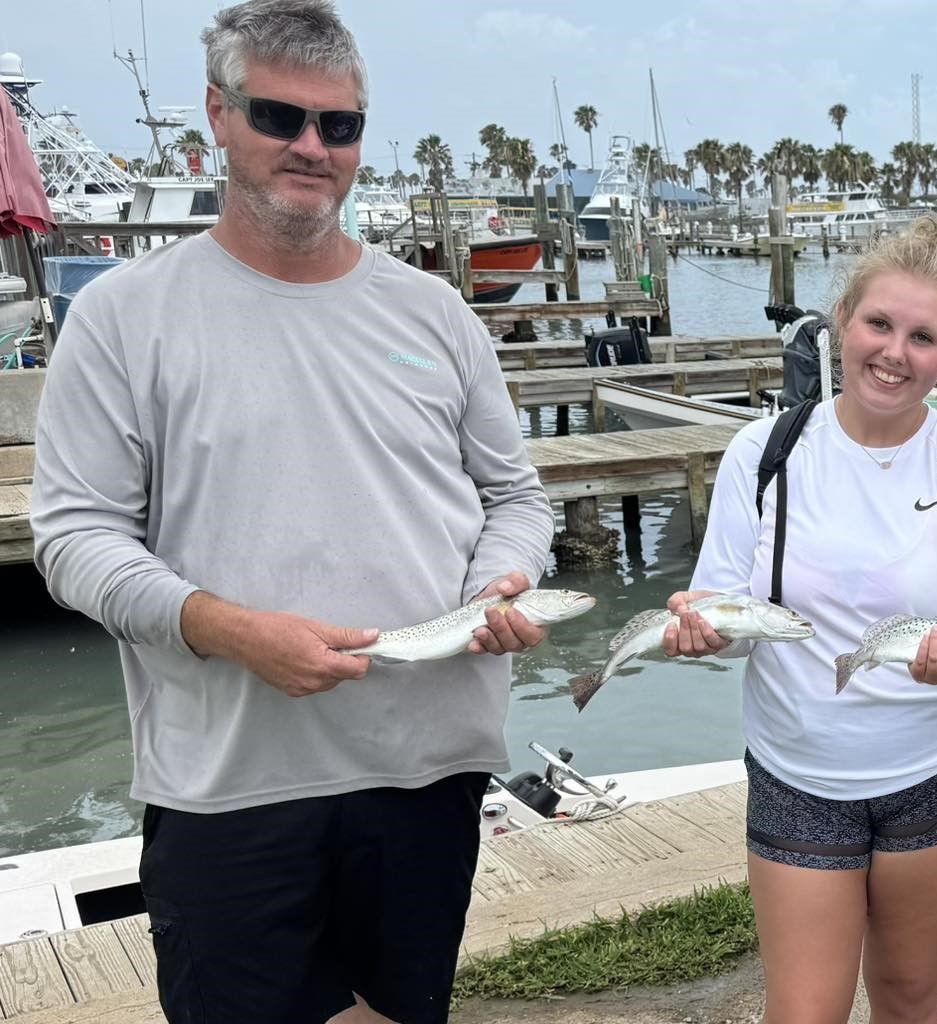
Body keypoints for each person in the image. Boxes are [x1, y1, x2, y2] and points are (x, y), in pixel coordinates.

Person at [29, 2, 557, 1021]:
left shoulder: (436, 313)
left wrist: (502, 580)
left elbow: (514, 497)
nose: (311, 147)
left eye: (339, 125)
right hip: (229, 778)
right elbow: (76, 538)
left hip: (425, 763)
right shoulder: (120, 319)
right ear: (217, 118)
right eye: (280, 117)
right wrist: (230, 629)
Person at [661, 215, 937, 1023]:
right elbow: (721, 602)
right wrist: (699, 631)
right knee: (803, 1011)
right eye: (879, 324)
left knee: (907, 996)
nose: (895, 353)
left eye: (923, 336)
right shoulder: (762, 452)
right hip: (798, 771)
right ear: (842, 322)